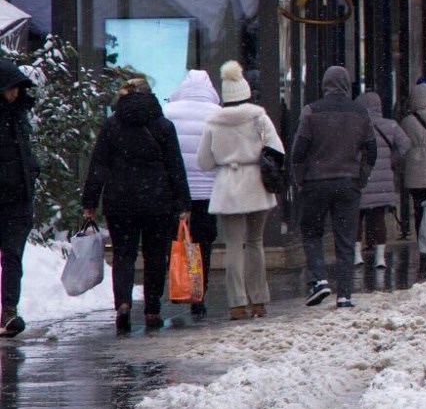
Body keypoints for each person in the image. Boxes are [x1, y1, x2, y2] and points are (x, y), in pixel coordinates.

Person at [83, 75, 191, 333]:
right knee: (155, 255)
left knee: (123, 254)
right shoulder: (163, 126)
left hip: (119, 199)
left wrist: (90, 202)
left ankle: (123, 303)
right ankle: (153, 309)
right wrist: (183, 203)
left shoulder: (112, 126)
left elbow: (99, 165)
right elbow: (175, 166)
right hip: (157, 200)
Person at [196, 61, 285, 320]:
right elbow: (277, 149)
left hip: (227, 186)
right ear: (246, 91)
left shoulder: (213, 122)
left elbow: (204, 162)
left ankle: (236, 303)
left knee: (234, 246)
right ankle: (258, 301)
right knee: (256, 243)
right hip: (256, 182)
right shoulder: (259, 117)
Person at [290, 65, 378, 309]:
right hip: (348, 183)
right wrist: (361, 178)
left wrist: (300, 179)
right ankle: (345, 294)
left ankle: (318, 279)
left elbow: (298, 151)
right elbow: (371, 151)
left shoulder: (310, 112)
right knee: (346, 239)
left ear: (325, 84)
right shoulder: (360, 113)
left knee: (311, 231)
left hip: (316, 183)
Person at [163, 69, 221, 320]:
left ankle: (178, 286)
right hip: (207, 191)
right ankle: (199, 294)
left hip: (176, 191)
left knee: (176, 242)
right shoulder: (217, 115)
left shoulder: (168, 112)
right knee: (202, 244)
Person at [0, 62, 40, 339]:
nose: (15, 93)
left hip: (17, 199)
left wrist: (33, 170)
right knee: (12, 257)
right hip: (12, 195)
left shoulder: (17, 117)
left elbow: (24, 155)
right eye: (10, 88)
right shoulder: (13, 119)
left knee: (13, 257)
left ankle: (8, 310)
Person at [358, 92, 412, 275]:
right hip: (383, 180)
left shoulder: (358, 126)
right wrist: (392, 160)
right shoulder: (391, 125)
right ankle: (380, 256)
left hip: (361, 178)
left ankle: (357, 255)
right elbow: (405, 144)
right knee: (379, 218)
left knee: (357, 218)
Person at [400, 79, 426, 251]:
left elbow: (401, 145)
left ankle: (421, 240)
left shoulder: (407, 120)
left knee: (418, 207)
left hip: (413, 169)